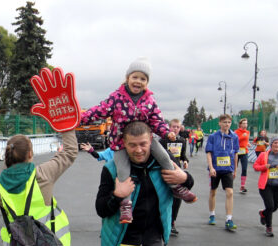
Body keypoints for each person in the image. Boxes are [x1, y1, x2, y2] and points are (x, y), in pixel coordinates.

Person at [81, 57, 196, 224]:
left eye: (143, 79)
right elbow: (99, 111)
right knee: (123, 171)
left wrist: (166, 133)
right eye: (135, 77)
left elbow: (156, 121)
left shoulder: (149, 100)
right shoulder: (117, 97)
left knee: (164, 157)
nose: (138, 81)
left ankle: (176, 187)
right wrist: (80, 119)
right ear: (127, 78)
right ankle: (126, 205)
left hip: (146, 137)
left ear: (147, 83)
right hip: (121, 142)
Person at [206, 114, 239, 231]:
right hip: (215, 169)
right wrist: (211, 168)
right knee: (213, 192)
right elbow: (209, 153)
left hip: (228, 169)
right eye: (224, 122)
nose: (227, 124)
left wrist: (235, 169)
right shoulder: (213, 136)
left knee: (230, 192)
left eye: (229, 122)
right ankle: (212, 214)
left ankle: (229, 219)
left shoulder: (234, 137)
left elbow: (235, 154)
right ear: (219, 123)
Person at [160, 119, 190, 236]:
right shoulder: (163, 140)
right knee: (164, 198)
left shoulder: (182, 141)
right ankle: (161, 221)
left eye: (178, 127)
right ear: (169, 127)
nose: (176, 129)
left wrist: (185, 161)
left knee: (177, 199)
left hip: (177, 173)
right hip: (165, 172)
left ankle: (172, 222)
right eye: (173, 127)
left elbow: (183, 156)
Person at [234, 118, 251, 193]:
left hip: (244, 152)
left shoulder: (247, 132)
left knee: (244, 169)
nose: (245, 125)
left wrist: (248, 143)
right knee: (234, 168)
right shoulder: (236, 132)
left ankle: (242, 186)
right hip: (237, 152)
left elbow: (246, 140)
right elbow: (235, 141)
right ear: (240, 124)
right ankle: (229, 183)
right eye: (243, 123)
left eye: (246, 123)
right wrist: (241, 137)